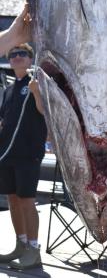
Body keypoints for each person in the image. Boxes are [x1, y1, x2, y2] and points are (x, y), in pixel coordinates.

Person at [0, 43, 47, 269]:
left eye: (22, 54)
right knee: (13, 200)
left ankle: (34, 250)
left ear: (30, 59)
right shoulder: (9, 89)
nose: (17, 57)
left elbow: (45, 113)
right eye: (13, 55)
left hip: (28, 154)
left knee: (27, 201)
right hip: (7, 153)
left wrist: (37, 93)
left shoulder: (37, 84)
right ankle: (21, 244)